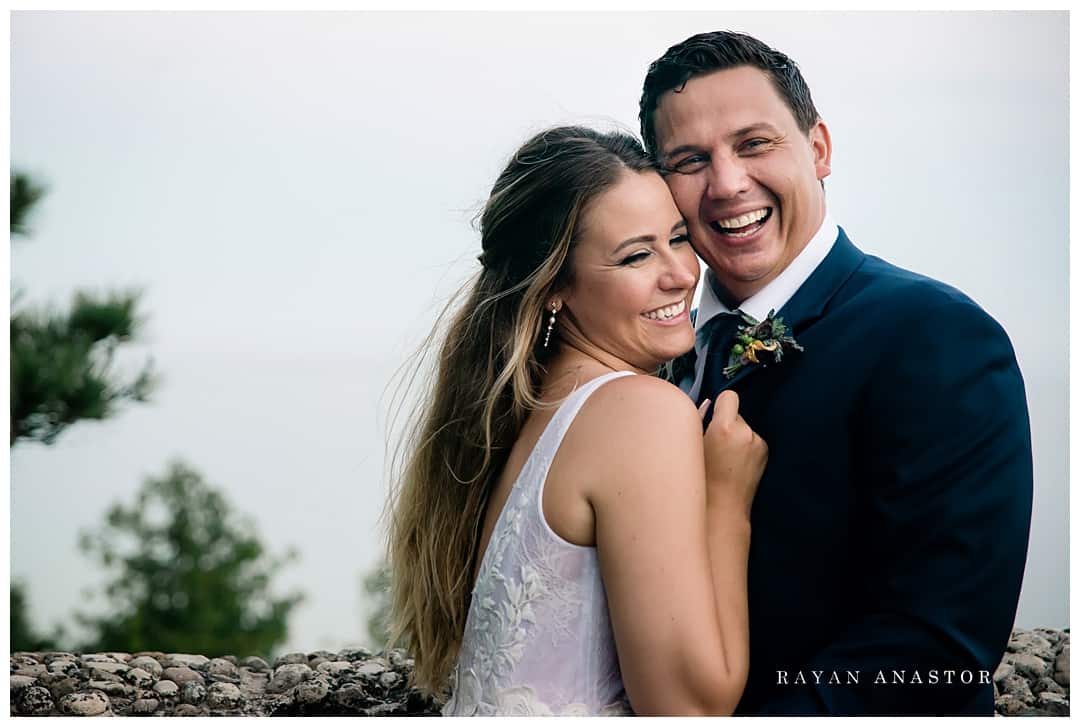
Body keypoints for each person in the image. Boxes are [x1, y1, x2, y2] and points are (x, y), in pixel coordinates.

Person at [639, 30, 1034, 716]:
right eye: (690, 159)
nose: (727, 182)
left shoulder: (935, 335)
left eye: (754, 143)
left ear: (818, 147)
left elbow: (934, 648)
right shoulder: (654, 347)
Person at [385, 126, 768, 715]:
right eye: (636, 256)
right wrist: (728, 501)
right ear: (554, 288)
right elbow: (688, 705)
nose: (681, 274)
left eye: (677, 238)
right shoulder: (638, 411)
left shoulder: (531, 409)